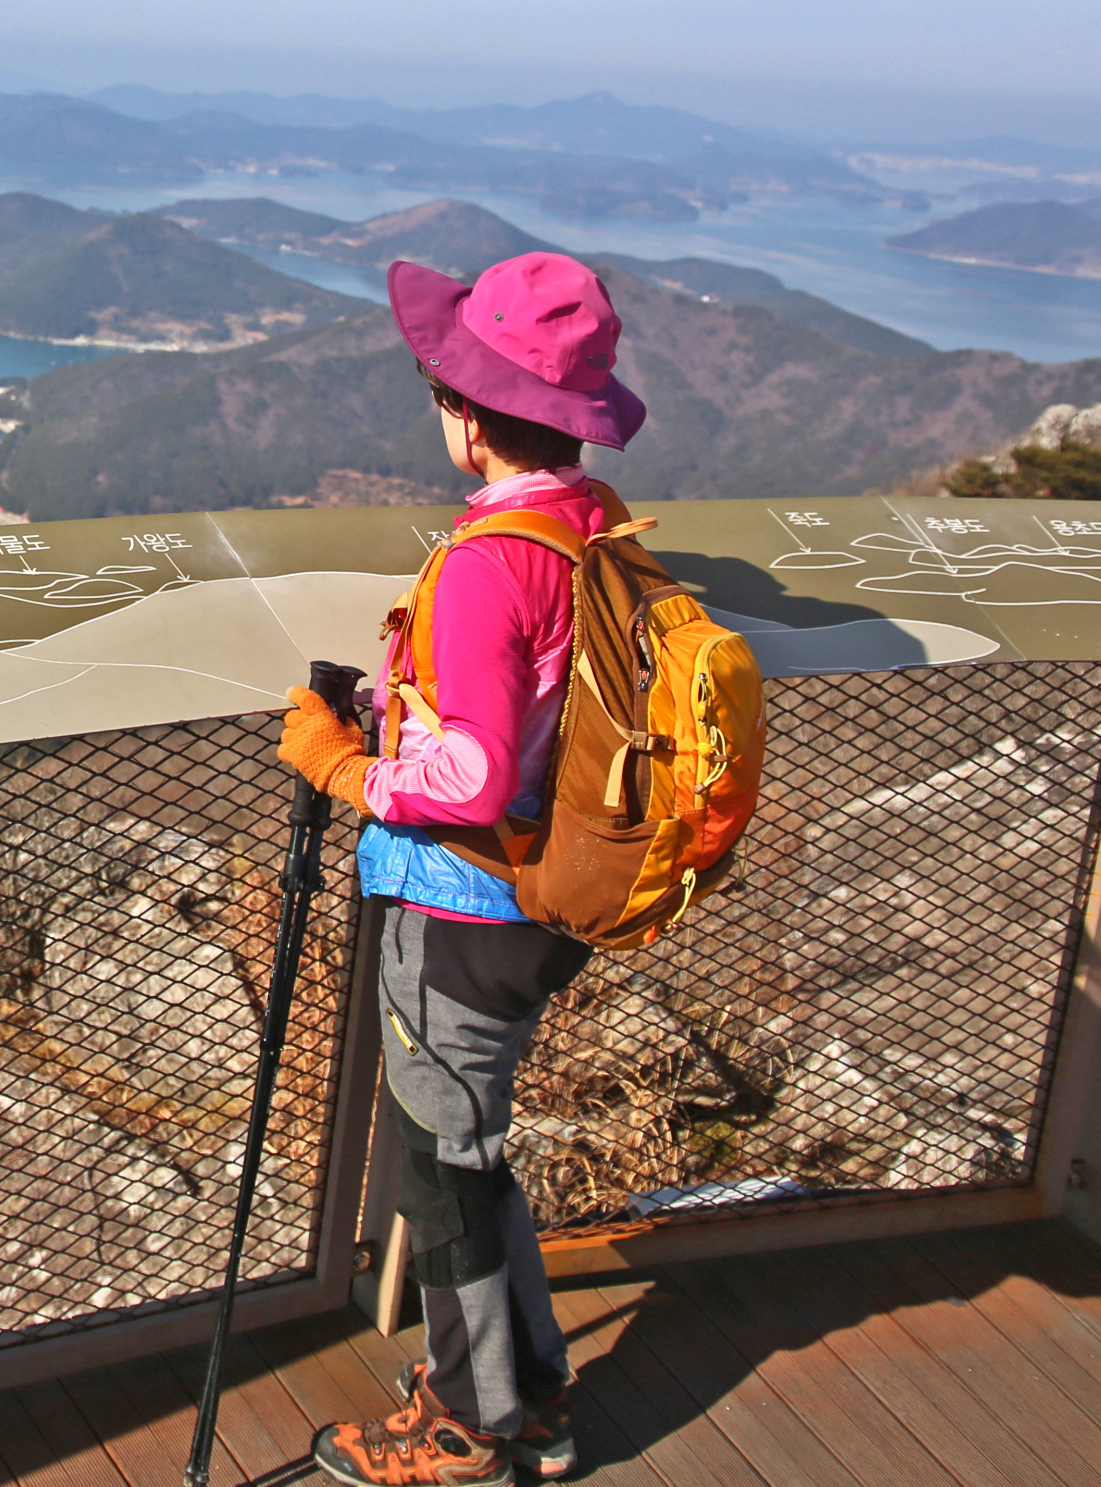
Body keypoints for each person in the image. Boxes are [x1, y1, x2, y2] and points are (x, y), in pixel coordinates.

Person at [279, 251, 647, 1487]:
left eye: (444, 389)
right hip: (545, 890)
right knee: (469, 1149)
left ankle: (470, 1426)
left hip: (464, 898)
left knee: (443, 1169)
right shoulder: (587, 524)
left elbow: (478, 770)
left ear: (473, 417)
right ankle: (527, 1388)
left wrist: (348, 766)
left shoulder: (493, 558)